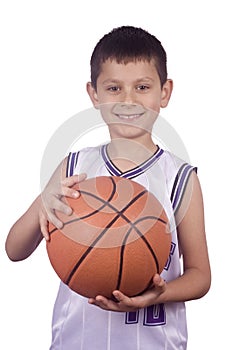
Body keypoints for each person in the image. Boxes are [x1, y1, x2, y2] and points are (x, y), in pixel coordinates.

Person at [5, 26, 211, 350]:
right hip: (75, 342)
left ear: (165, 92)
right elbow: (14, 250)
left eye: (142, 87)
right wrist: (41, 203)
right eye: (114, 88)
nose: (128, 100)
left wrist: (160, 294)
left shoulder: (180, 178)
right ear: (94, 95)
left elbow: (200, 276)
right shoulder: (73, 169)